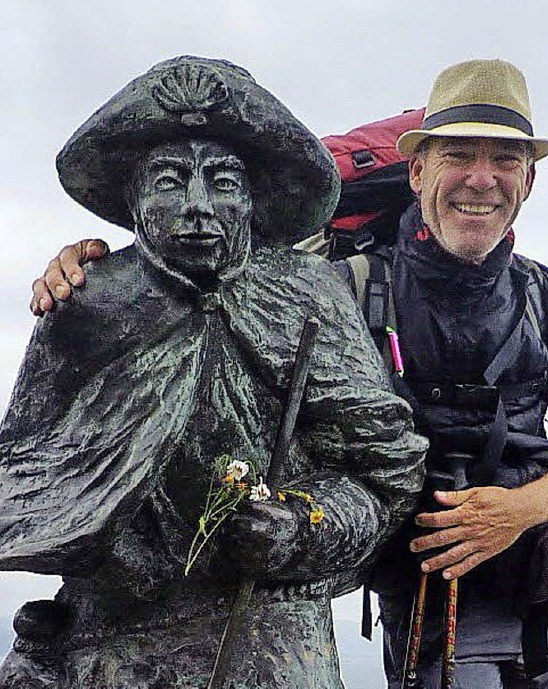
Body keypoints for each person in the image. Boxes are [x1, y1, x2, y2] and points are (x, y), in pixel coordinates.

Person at [29, 59, 548, 689]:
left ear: (527, 181)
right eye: (459, 155)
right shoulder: (349, 288)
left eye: (505, 160)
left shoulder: (541, 293)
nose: (482, 179)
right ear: (417, 170)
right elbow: (221, 285)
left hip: (527, 572)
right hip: (417, 578)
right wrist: (104, 275)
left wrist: (518, 512)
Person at [0, 56, 427, 689]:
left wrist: (302, 528)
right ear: (133, 195)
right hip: (111, 641)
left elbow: (385, 476)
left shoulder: (310, 296)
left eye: (223, 181)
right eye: (170, 180)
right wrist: (96, 526)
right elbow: (19, 474)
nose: (198, 205)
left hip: (270, 632)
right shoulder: (86, 304)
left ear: (254, 196)